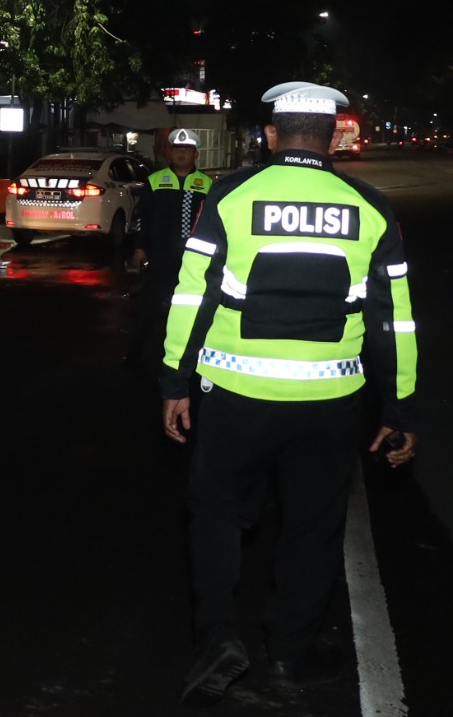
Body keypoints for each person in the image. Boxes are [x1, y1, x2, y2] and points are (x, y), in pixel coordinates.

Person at [164, 82, 419, 707]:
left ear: (271, 135)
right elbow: (395, 319)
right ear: (332, 138)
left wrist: (174, 380)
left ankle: (217, 636)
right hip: (329, 404)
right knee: (312, 526)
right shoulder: (370, 206)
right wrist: (399, 407)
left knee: (217, 514)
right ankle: (288, 654)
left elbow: (192, 293)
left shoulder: (230, 195)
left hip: (237, 395)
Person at [126, 127, 213, 365]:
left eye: (187, 149)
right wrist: (140, 247)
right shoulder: (155, 181)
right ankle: (136, 354)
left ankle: (195, 356)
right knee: (149, 305)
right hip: (160, 255)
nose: (181, 154)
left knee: (195, 306)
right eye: (177, 149)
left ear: (196, 154)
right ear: (169, 154)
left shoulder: (207, 185)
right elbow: (142, 216)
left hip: (194, 258)